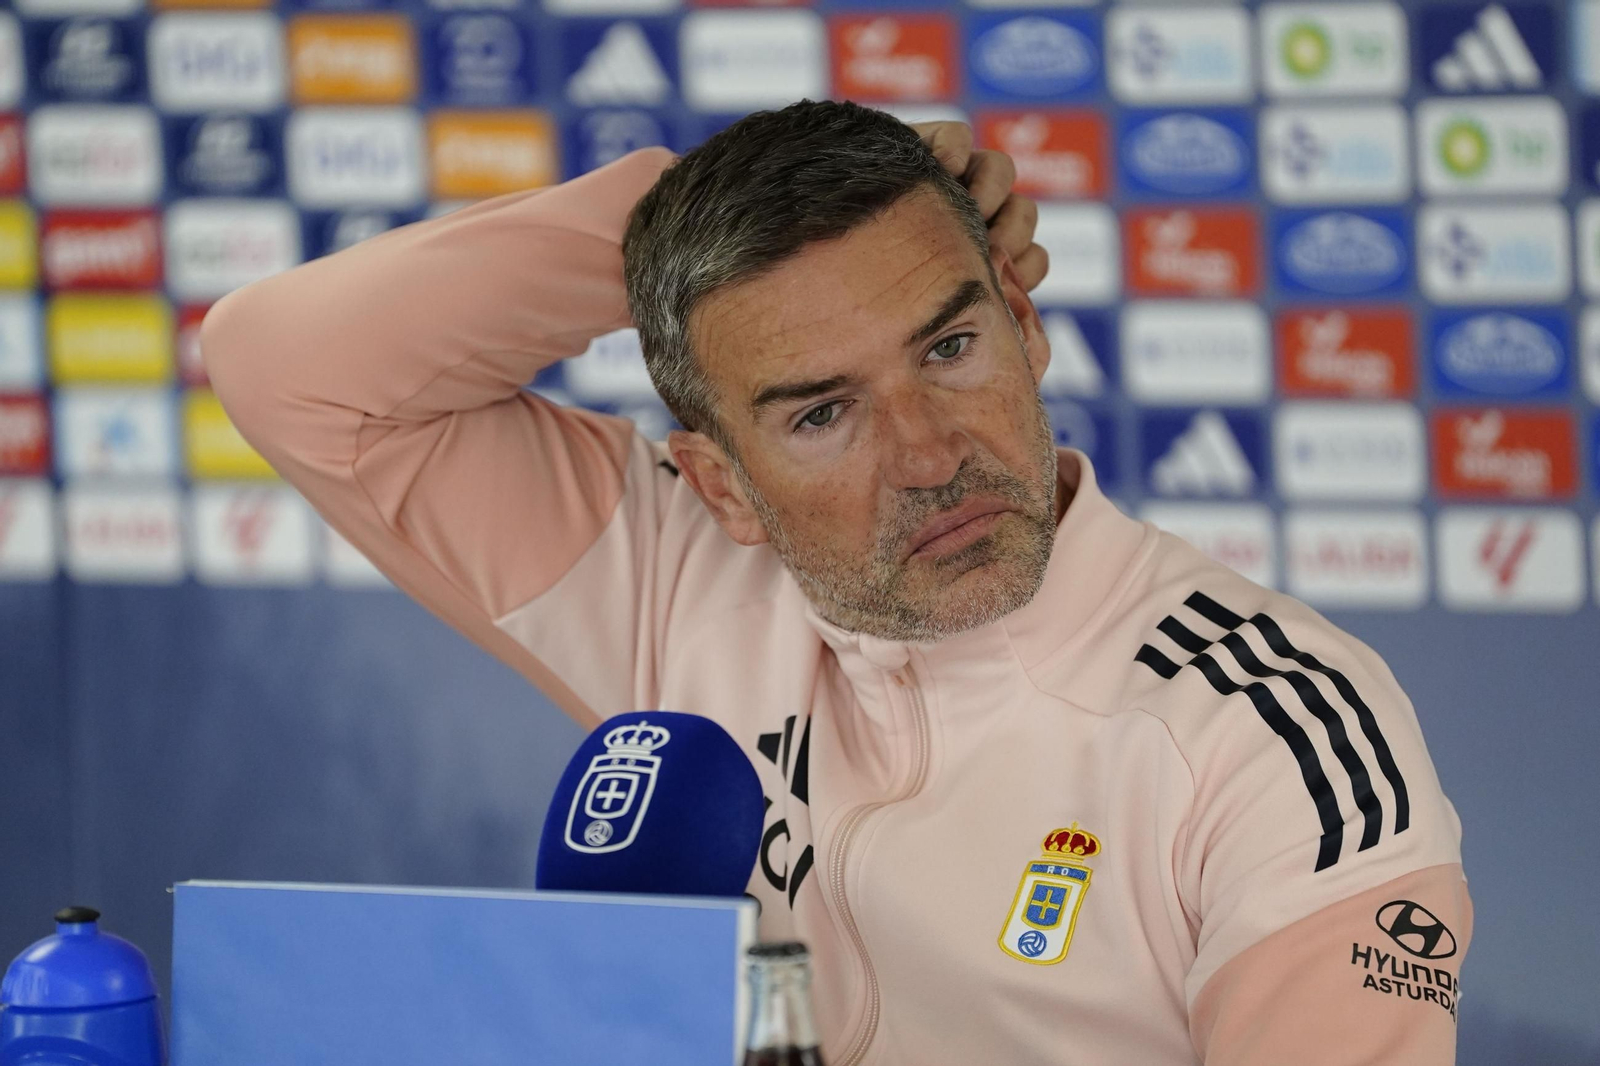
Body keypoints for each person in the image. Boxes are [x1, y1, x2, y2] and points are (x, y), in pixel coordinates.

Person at [201, 100, 1471, 1064]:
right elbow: (289, 361)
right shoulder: (665, 572)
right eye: (820, 415)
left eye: (952, 346)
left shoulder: (1268, 729)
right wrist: (675, 226)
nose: (930, 456)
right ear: (719, 485)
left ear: (1025, 331)